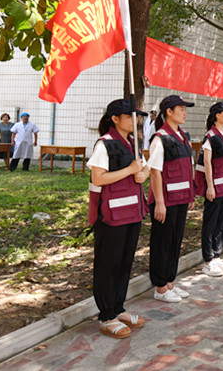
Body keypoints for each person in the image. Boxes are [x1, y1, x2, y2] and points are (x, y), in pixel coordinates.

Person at [86, 99, 149, 339]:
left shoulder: (133, 143)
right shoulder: (105, 144)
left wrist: (141, 173)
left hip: (132, 212)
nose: (135, 120)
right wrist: (130, 170)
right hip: (111, 215)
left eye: (137, 117)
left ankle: (118, 308)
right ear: (115, 119)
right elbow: (99, 178)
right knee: (108, 265)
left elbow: (140, 170)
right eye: (129, 116)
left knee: (124, 263)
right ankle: (106, 316)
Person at [146, 95, 196, 295]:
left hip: (181, 198)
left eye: (186, 109)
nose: (185, 113)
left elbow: (186, 168)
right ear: (169, 111)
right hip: (165, 200)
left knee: (175, 240)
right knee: (162, 242)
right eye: (181, 109)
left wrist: (190, 194)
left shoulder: (183, 136)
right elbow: (155, 171)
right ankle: (160, 286)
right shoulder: (160, 138)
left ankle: (169, 281)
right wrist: (159, 202)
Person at [196, 102, 223, 276]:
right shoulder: (211, 136)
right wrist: (210, 187)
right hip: (216, 188)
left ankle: (217, 255)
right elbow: (207, 162)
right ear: (217, 115)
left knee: (222, 223)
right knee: (211, 223)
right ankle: (208, 260)